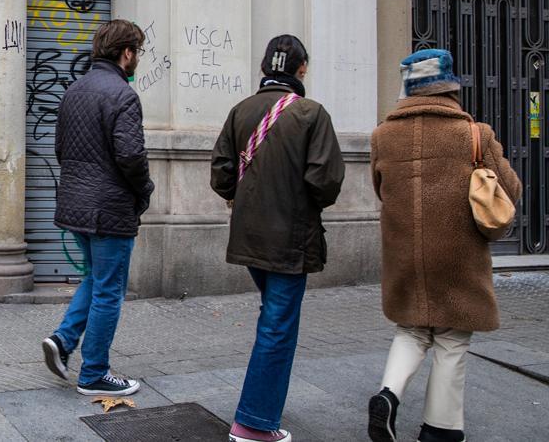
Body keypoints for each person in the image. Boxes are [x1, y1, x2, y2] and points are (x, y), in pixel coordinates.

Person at [367, 49, 521, 442]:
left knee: (412, 330)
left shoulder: (384, 134)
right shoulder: (474, 133)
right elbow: (511, 189)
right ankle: (440, 429)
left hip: (404, 250)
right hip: (458, 253)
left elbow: (380, 189)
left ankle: (388, 393)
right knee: (452, 337)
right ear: (449, 86)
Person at [210, 35, 345, 442]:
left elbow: (221, 174)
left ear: (266, 68)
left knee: (273, 318)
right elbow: (325, 181)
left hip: (249, 238)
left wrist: (245, 196)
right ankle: (253, 423)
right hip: (290, 239)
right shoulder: (310, 113)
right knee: (277, 327)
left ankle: (257, 413)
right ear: (301, 68)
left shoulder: (240, 111)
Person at [40, 19, 155, 397]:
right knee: (110, 290)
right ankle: (94, 374)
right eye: (136, 51)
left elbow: (61, 150)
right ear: (126, 53)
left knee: (97, 278)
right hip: (109, 209)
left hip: (77, 205)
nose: (137, 58)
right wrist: (144, 190)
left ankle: (63, 339)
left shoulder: (74, 90)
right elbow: (131, 155)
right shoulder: (123, 95)